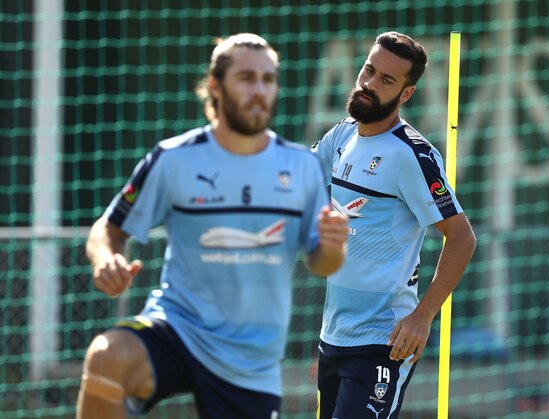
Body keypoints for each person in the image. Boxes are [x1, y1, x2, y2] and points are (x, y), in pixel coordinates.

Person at [76, 33, 348, 419]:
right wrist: (105, 258)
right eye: (246, 78)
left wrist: (334, 248)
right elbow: (109, 229)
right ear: (215, 87)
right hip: (179, 325)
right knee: (108, 356)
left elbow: (321, 263)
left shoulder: (301, 167)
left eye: (268, 80)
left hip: (250, 359)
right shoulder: (173, 159)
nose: (259, 90)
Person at [310, 31, 477, 418]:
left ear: (406, 94)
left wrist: (423, 316)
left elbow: (462, 238)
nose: (369, 83)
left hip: (384, 342)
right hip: (332, 337)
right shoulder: (342, 135)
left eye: (386, 80)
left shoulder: (411, 156)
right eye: (369, 70)